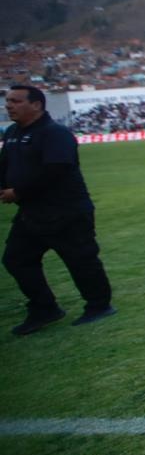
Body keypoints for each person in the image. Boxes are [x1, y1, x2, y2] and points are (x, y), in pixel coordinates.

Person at [3, 84, 117, 335]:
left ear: (36, 104)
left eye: (16, 101)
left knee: (81, 260)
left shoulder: (54, 133)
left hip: (66, 211)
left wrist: (18, 192)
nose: (9, 105)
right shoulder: (12, 133)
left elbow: (56, 170)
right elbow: (5, 167)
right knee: (16, 259)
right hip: (31, 213)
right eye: (8, 100)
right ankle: (44, 308)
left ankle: (99, 305)